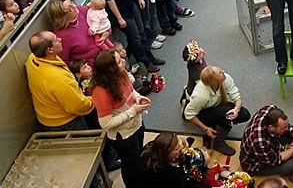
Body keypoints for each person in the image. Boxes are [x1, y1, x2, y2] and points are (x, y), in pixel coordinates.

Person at [92, 49, 151, 188]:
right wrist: (133, 111)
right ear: (110, 69)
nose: (123, 61)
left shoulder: (121, 74)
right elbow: (106, 124)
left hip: (136, 124)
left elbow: (131, 91)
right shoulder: (101, 91)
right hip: (123, 136)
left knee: (138, 158)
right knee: (131, 166)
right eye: (119, 61)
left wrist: (137, 97)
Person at [25, 31, 94, 131]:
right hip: (65, 123)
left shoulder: (32, 59)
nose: (60, 39)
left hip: (46, 119)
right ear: (50, 50)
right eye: (56, 40)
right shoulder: (59, 78)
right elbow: (78, 106)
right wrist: (95, 99)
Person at [183, 66, 251, 155]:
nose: (223, 71)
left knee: (244, 114)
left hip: (218, 106)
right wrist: (205, 128)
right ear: (213, 81)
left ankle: (218, 125)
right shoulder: (201, 95)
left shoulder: (225, 78)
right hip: (203, 114)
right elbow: (189, 114)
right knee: (227, 116)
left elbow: (236, 97)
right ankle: (218, 143)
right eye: (220, 73)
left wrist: (236, 109)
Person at [47, 0, 103, 66]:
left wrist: (105, 33)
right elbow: (64, 62)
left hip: (104, 51)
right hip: (93, 66)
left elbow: (102, 20)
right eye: (69, 8)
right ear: (62, 16)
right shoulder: (61, 36)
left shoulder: (82, 10)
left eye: (71, 2)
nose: (74, 6)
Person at [141, 132, 210, 188]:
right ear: (167, 154)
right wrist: (204, 164)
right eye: (177, 149)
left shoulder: (150, 148)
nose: (180, 148)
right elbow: (185, 183)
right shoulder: (170, 174)